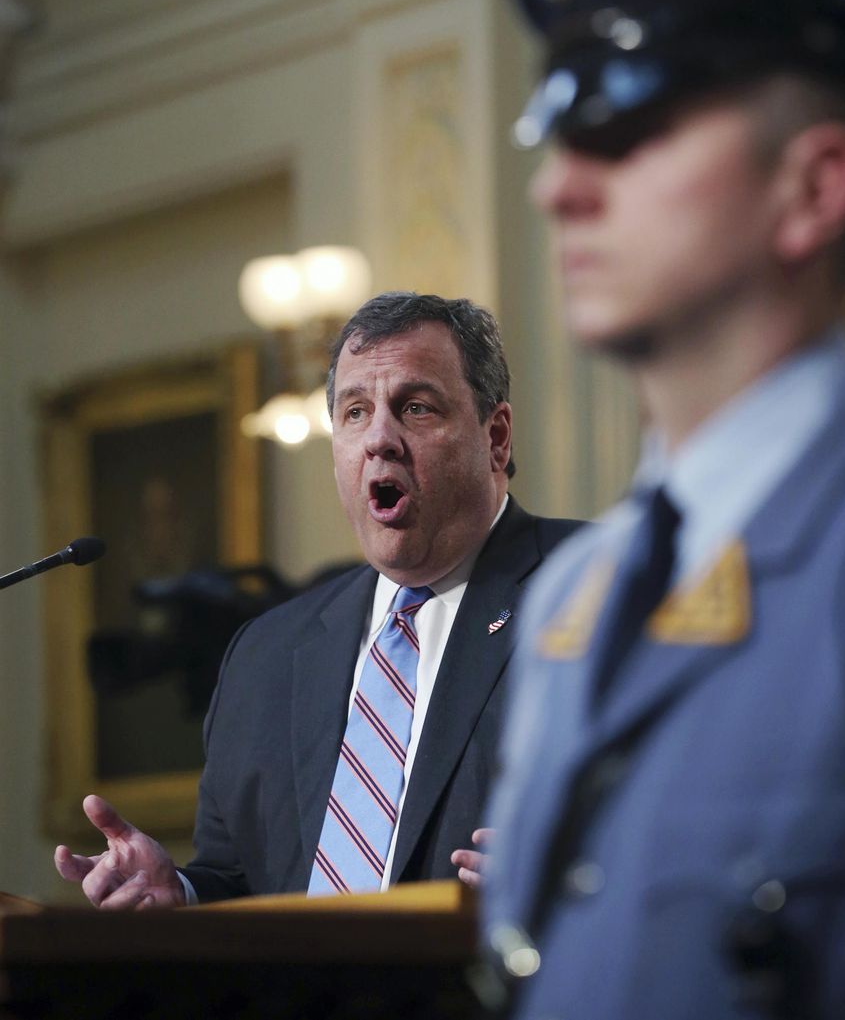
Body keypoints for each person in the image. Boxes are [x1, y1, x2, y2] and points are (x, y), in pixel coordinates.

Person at [483, 0, 845, 1020]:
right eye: (557, 137)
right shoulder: (576, 594)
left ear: (811, 189)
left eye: (620, 128)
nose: (557, 187)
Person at [55, 291, 581, 907]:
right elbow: (239, 876)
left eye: (415, 408)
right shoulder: (264, 654)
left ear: (495, 438)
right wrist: (184, 893)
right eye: (355, 413)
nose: (379, 439)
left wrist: (580, 872)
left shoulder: (597, 589)